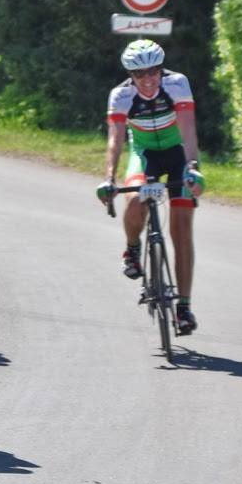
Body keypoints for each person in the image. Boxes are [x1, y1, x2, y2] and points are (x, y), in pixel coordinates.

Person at [99, 39, 205, 334]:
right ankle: (132, 249)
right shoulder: (121, 96)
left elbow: (188, 129)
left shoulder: (177, 84)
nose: (147, 79)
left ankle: (183, 308)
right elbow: (115, 140)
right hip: (144, 156)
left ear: (161, 69)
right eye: (139, 74)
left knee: (181, 229)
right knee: (135, 200)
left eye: (153, 71)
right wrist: (109, 178)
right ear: (130, 75)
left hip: (178, 154)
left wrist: (192, 167)